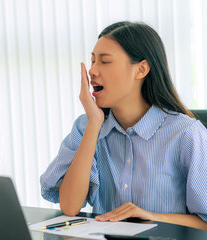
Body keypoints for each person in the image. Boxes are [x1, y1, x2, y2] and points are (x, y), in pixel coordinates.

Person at [40, 21, 207, 230]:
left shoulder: (186, 134)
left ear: (141, 69)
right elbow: (70, 206)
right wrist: (94, 124)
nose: (92, 71)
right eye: (92, 61)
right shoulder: (86, 127)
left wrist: (148, 216)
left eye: (105, 62)